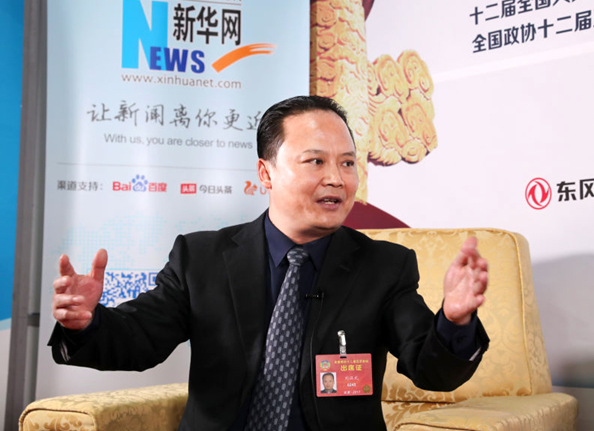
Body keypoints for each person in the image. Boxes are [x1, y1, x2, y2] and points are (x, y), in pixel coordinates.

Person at [50, 95, 489, 431]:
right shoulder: (201, 258)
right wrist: (86, 324)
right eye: (316, 161)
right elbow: (141, 339)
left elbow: (430, 369)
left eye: (347, 163)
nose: (336, 178)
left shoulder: (384, 266)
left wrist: (454, 320)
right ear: (266, 173)